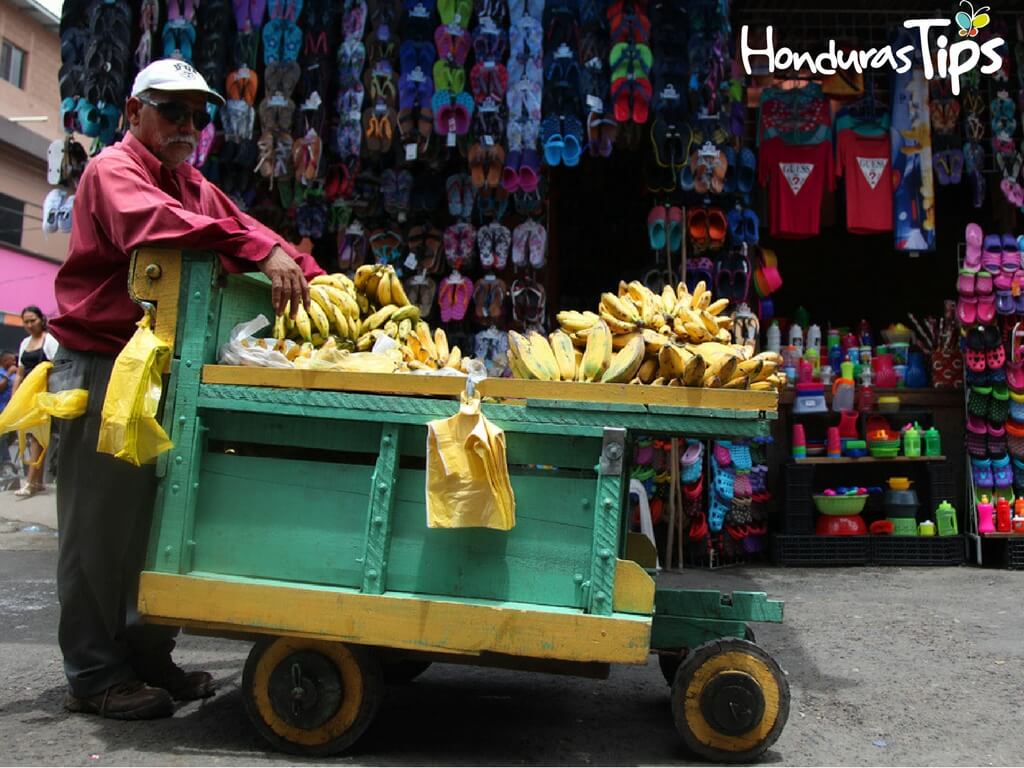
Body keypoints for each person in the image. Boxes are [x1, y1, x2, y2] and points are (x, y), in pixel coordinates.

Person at [47, 59, 323, 722]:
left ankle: (146, 657)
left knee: (154, 522)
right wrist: (256, 250)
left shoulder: (189, 181)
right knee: (98, 531)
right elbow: (155, 226)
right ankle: (94, 673)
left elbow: (247, 228)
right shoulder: (114, 169)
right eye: (173, 111)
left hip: (156, 370)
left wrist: (310, 268)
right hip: (103, 365)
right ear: (134, 111)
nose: (188, 126)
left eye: (198, 116)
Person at [12, 306, 60, 497]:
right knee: (33, 436)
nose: (30, 325)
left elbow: (57, 368)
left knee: (37, 437)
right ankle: (37, 482)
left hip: (44, 394)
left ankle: (31, 482)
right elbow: (19, 374)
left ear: (42, 320)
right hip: (27, 395)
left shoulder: (50, 341)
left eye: (33, 320)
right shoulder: (24, 343)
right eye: (26, 321)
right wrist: (15, 398)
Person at [0, 350, 17, 463]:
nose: (15, 362)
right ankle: (6, 462)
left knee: (12, 436)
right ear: (5, 361)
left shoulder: (15, 374)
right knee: (3, 436)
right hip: (1, 409)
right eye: (12, 360)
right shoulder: (4, 373)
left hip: (11, 410)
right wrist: (8, 375)